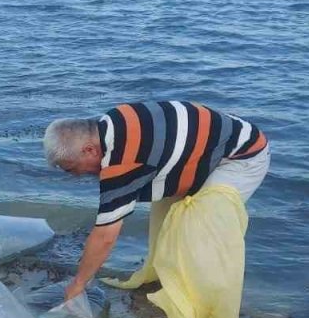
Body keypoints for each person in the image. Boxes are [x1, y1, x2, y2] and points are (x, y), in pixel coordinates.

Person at [43, 101, 270, 300]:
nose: (76, 175)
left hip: (242, 157)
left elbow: (105, 236)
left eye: (71, 169)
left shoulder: (122, 161)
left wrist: (78, 284)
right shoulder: (110, 121)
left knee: (201, 230)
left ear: (90, 149)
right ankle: (173, 282)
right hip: (212, 147)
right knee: (176, 223)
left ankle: (205, 305)